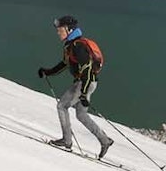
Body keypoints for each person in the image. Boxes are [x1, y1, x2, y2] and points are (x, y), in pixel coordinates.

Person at [37, 15, 114, 159]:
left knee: (62, 106)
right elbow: (64, 65)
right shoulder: (71, 45)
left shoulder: (77, 46)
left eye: (60, 29)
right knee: (81, 114)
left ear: (69, 29)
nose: (58, 32)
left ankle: (67, 140)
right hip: (89, 83)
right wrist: (47, 72)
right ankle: (105, 140)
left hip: (84, 83)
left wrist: (83, 93)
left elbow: (87, 69)